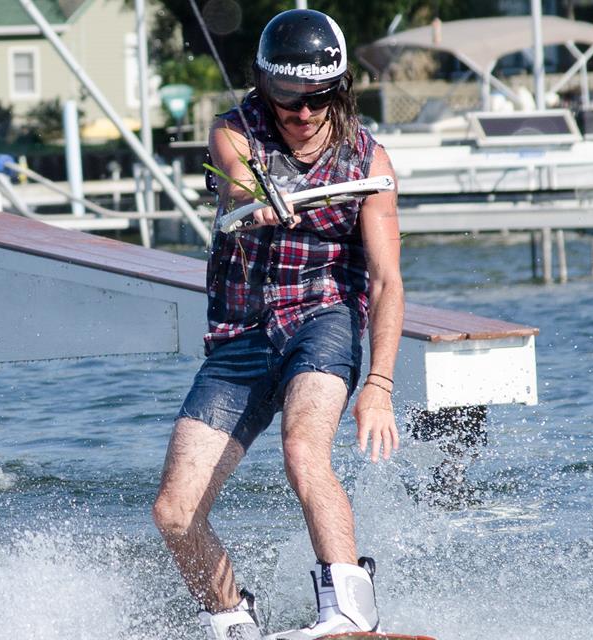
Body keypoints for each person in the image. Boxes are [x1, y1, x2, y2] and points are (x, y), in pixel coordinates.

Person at [150, 10, 401, 640]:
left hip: (323, 318)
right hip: (241, 334)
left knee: (302, 450)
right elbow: (235, 183)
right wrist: (255, 202)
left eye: (317, 98)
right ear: (266, 86)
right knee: (175, 512)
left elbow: (387, 281)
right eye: (287, 98)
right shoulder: (235, 133)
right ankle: (232, 617)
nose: (302, 113)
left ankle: (348, 607)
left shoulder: (369, 161)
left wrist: (380, 384)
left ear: (337, 90)